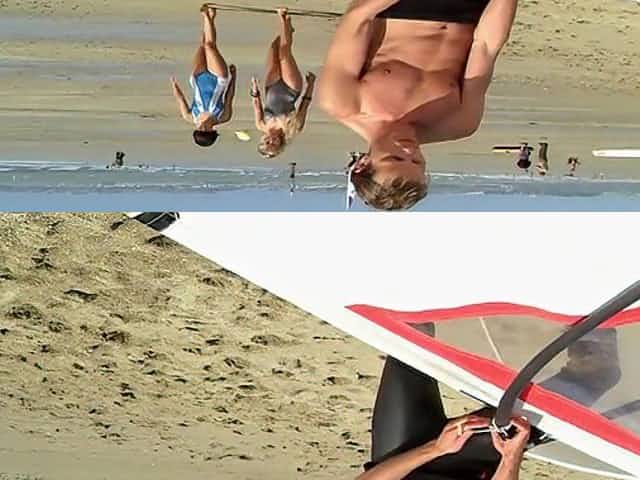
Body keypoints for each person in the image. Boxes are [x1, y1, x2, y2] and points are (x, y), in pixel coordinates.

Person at [318, 0, 518, 210]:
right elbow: (485, 47)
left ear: (362, 164)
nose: (409, 150)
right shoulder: (459, 122)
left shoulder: (342, 103)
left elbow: (358, 18)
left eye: (395, 158)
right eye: (417, 161)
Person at [359, 355, 531, 480]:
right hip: (466, 468)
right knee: (513, 422)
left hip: (400, 462)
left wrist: (436, 448)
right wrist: (510, 457)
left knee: (405, 355)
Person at [251, 8, 316, 159]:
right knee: (284, 54)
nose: (271, 140)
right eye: (274, 144)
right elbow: (304, 106)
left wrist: (254, 88)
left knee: (275, 47)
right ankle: (283, 18)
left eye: (267, 142)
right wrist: (311, 85)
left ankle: (288, 31)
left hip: (271, 87)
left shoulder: (261, 125)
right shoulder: (293, 128)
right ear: (281, 144)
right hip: (291, 89)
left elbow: (257, 105)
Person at [171, 5, 237, 148]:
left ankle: (210, 18)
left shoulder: (190, 117)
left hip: (197, 78)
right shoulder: (223, 117)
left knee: (202, 45)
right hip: (219, 79)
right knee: (210, 46)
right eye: (205, 130)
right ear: (212, 131)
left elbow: (180, 100)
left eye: (199, 130)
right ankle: (206, 16)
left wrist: (174, 86)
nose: (201, 127)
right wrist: (234, 77)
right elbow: (229, 97)